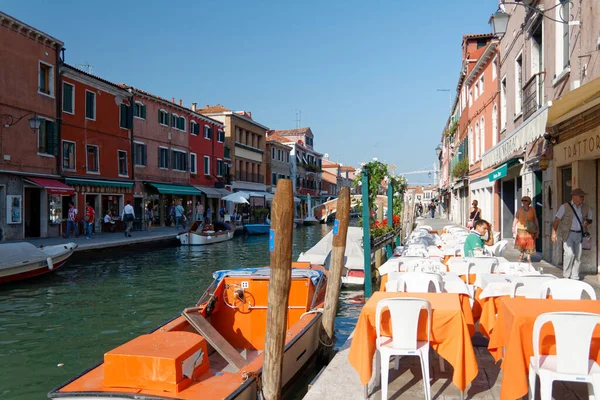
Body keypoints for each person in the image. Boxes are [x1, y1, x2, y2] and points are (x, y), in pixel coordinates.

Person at [551, 188, 594, 280]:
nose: (582, 198)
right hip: (568, 234)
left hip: (580, 234)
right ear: (574, 197)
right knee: (569, 254)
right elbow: (557, 220)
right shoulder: (564, 207)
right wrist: (553, 233)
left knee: (578, 256)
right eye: (580, 196)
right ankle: (566, 275)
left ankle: (575, 276)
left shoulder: (586, 207)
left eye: (583, 196)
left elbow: (590, 219)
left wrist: (586, 223)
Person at [512, 196, 539, 263]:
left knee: (530, 243)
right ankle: (521, 254)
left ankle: (528, 257)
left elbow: (535, 218)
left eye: (525, 200)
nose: (524, 202)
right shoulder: (520, 209)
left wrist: (537, 228)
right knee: (522, 243)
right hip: (521, 229)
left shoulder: (532, 209)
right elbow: (516, 218)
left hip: (530, 229)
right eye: (523, 200)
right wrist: (513, 226)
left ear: (529, 202)